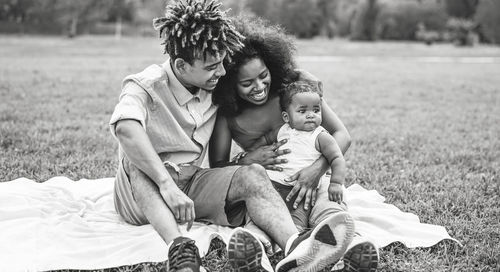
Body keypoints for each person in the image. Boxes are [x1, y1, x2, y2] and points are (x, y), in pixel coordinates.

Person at [109, 1, 355, 272]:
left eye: (222, 64)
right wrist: (166, 184)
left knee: (253, 174)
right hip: (141, 193)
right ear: (181, 64)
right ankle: (180, 248)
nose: (222, 72)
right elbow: (126, 129)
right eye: (213, 66)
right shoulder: (145, 85)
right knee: (138, 157)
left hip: (191, 184)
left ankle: (297, 248)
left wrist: (299, 76)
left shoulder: (214, 86)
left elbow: (265, 80)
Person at [210, 16, 379, 272]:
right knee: (265, 218)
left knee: (328, 208)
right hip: (270, 186)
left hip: (317, 179)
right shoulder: (227, 115)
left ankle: (350, 252)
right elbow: (218, 167)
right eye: (247, 83)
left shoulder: (290, 92)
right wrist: (247, 160)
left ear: (271, 67)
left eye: (263, 75)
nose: (259, 87)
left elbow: (342, 134)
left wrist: (317, 169)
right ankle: (256, 256)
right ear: (230, 86)